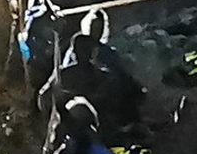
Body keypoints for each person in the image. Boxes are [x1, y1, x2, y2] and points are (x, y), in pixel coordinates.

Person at [38, 8, 145, 146]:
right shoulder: (64, 72)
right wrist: (56, 111)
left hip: (96, 126)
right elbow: (44, 97)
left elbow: (119, 84)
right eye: (82, 50)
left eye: (99, 27)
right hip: (70, 125)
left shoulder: (103, 71)